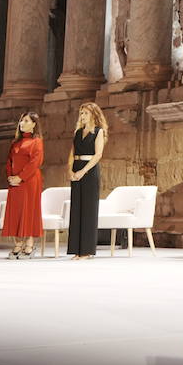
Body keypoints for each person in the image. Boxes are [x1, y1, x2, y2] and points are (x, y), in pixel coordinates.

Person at [66, 102, 108, 259]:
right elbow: (72, 153)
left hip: (89, 171)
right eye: (81, 113)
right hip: (76, 169)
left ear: (93, 115)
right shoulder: (77, 132)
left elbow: (98, 155)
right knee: (76, 209)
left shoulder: (98, 132)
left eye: (85, 113)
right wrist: (70, 170)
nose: (82, 116)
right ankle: (76, 250)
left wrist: (83, 171)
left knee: (89, 210)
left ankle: (86, 250)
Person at [2, 112, 44, 258]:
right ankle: (18, 243)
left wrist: (20, 177)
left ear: (34, 124)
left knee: (29, 210)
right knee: (16, 212)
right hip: (14, 181)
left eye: (26, 121)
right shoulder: (15, 142)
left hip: (29, 181)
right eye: (21, 121)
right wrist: (10, 177)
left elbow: (35, 162)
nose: (22, 123)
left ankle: (30, 244)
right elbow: (9, 161)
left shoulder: (36, 141)